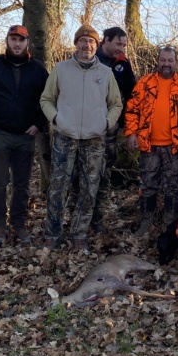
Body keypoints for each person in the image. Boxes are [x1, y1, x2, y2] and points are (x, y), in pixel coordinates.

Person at [40, 24, 123, 250]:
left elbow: (116, 104)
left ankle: (79, 233)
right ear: (76, 43)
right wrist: (56, 119)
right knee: (59, 186)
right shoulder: (61, 69)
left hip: (94, 139)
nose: (87, 45)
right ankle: (53, 233)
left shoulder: (105, 74)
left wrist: (106, 123)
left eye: (92, 42)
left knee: (89, 188)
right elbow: (46, 99)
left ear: (97, 45)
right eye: (83, 41)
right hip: (64, 136)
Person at [0, 25, 49, 245]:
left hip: (25, 134)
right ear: (7, 40)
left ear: (27, 43)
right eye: (13, 39)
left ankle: (19, 224)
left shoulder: (38, 69)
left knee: (22, 184)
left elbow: (49, 97)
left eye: (21, 40)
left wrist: (39, 123)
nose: (17, 44)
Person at [124, 46, 178, 235]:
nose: (166, 64)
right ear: (158, 61)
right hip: (149, 146)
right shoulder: (145, 83)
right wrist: (131, 133)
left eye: (170, 60)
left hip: (175, 147)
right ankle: (146, 222)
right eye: (163, 60)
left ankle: (171, 225)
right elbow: (132, 109)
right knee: (148, 185)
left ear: (177, 63)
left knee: (174, 187)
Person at [91, 27, 138, 232]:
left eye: (124, 45)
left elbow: (132, 96)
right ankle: (80, 220)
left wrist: (126, 126)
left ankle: (98, 220)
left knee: (104, 176)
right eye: (118, 43)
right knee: (82, 176)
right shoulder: (89, 58)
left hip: (110, 129)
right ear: (105, 41)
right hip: (84, 129)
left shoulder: (122, 64)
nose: (121, 48)